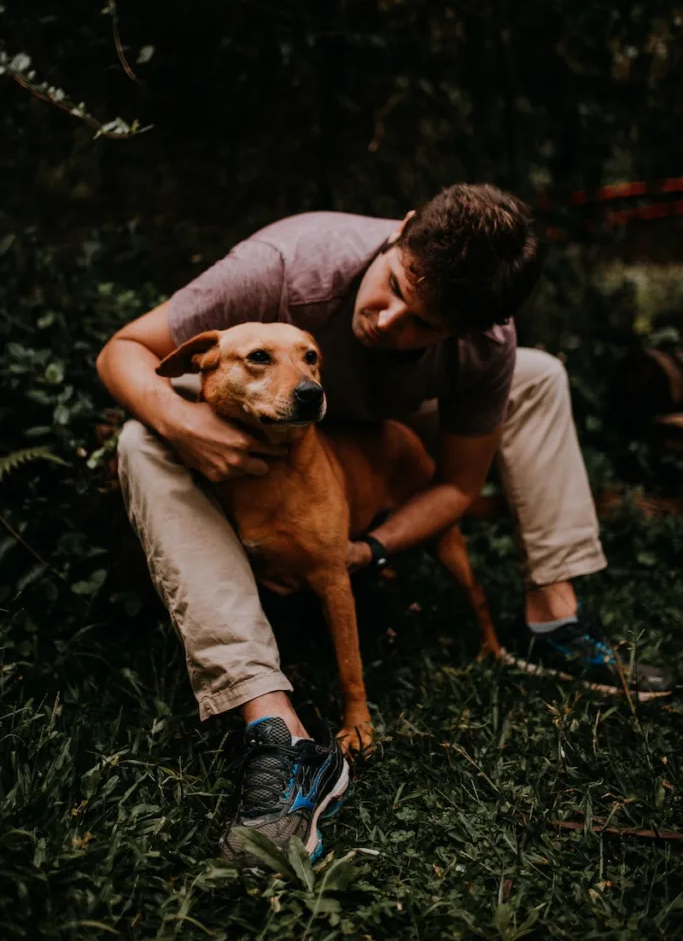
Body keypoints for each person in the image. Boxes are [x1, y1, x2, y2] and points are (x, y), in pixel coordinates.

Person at [96, 184, 674, 868]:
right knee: (141, 439)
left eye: (420, 326)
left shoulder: (486, 341)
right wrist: (185, 426)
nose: (386, 321)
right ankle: (274, 722)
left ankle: (553, 619)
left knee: (541, 374)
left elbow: (458, 485)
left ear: (464, 331)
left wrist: (368, 549)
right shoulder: (289, 261)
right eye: (393, 286)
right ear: (400, 231)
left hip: (372, 430)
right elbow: (121, 350)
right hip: (260, 410)